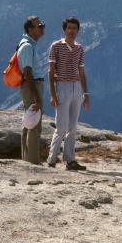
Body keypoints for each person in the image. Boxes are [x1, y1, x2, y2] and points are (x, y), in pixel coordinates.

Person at [47, 16, 90, 170]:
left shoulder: (79, 48)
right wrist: (53, 94)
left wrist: (86, 94)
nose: (72, 31)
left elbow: (82, 72)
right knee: (61, 126)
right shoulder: (56, 46)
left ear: (78, 30)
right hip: (62, 86)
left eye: (75, 28)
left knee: (73, 127)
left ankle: (70, 160)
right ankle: (51, 159)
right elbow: (51, 71)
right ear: (64, 30)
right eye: (69, 28)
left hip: (76, 87)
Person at [18, 16, 46, 164]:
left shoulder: (28, 44)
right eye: (39, 26)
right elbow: (27, 72)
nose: (42, 28)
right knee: (35, 123)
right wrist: (36, 96)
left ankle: (26, 158)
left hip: (30, 85)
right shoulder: (28, 46)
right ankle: (33, 161)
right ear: (30, 29)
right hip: (32, 85)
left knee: (28, 122)